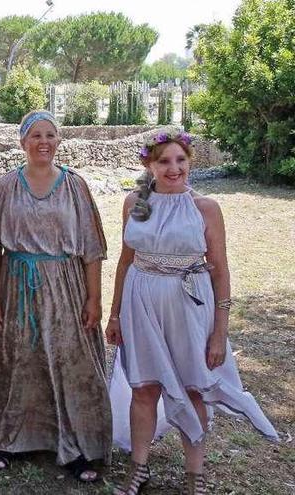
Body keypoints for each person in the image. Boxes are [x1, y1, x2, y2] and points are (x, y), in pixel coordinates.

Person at [106, 128, 279, 494]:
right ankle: (138, 467)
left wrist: (219, 332)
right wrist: (115, 313)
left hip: (189, 306)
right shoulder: (135, 202)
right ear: (149, 165)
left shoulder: (206, 208)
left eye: (180, 160)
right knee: (144, 387)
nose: (173, 168)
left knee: (194, 388)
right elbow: (124, 261)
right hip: (141, 305)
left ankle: (194, 473)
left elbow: (220, 268)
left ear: (190, 162)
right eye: (164, 161)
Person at [0, 110, 110, 483]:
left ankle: (78, 446)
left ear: (59, 140)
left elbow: (92, 248)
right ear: (22, 142)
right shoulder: (6, 186)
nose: (43, 142)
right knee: (17, 360)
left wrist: (94, 299)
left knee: (71, 364)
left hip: (67, 287)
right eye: (35, 135)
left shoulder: (75, 185)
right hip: (16, 284)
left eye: (50, 135)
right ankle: (9, 441)